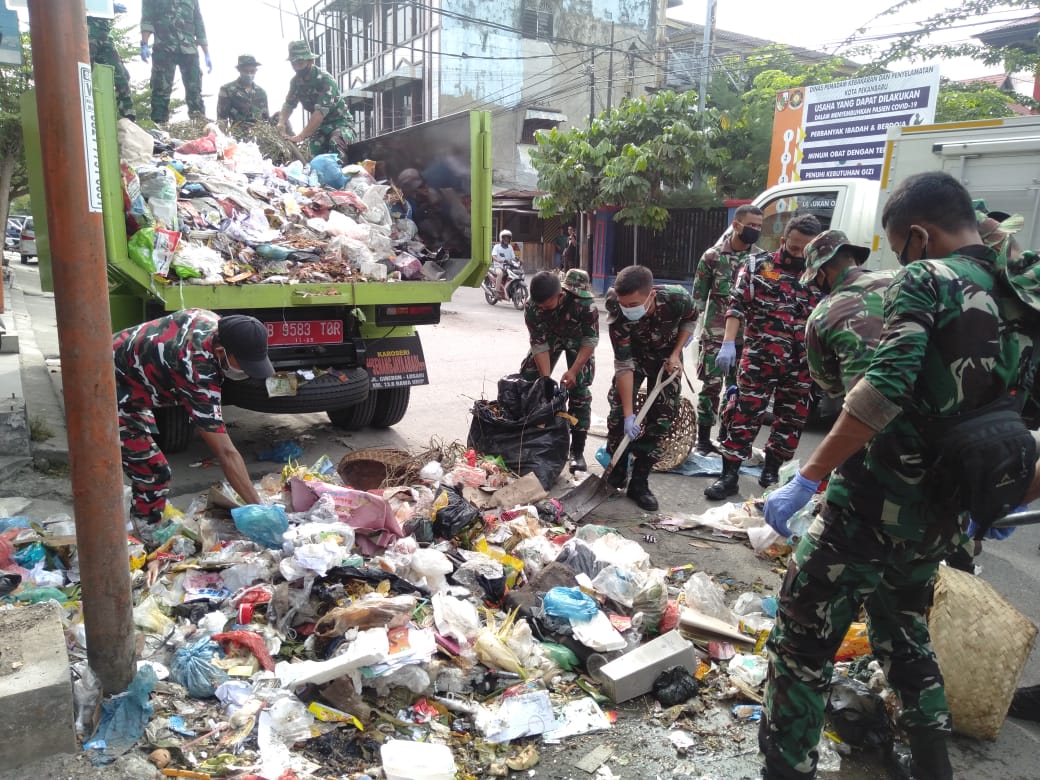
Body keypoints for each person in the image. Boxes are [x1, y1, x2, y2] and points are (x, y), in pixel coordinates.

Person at [759, 172, 1040, 780]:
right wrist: (1005, 496)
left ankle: (786, 769)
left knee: (801, 644)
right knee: (904, 630)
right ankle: (934, 767)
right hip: (944, 514)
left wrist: (808, 478)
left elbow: (879, 389)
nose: (901, 260)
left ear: (917, 235)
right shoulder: (1021, 293)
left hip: (868, 507)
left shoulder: (927, 279)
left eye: (901, 246)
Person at [114, 310, 274, 539]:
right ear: (221, 352)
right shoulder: (196, 367)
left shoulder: (214, 325)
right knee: (153, 471)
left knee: (144, 461)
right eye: (245, 365)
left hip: (132, 377)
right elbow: (225, 452)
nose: (248, 373)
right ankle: (145, 534)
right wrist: (260, 508)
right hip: (106, 385)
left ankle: (139, 521)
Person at [704, 213, 822, 500]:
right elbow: (736, 306)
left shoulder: (819, 273)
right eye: (794, 247)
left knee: (791, 419)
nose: (799, 254)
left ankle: (772, 471)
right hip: (759, 358)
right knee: (744, 414)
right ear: (784, 240)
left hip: (802, 363)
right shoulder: (757, 266)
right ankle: (729, 476)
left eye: (806, 250)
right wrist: (728, 343)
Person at [605, 265, 697, 511]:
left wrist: (677, 353)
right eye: (624, 304)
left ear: (651, 295)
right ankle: (616, 472)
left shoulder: (677, 298)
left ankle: (639, 482)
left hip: (666, 360)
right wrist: (628, 415)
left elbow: (691, 319)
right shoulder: (617, 310)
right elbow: (624, 365)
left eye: (634, 304)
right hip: (633, 358)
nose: (628, 309)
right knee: (616, 416)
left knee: (662, 418)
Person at [691, 204, 763, 455]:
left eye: (758, 227)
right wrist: (687, 333)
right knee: (710, 387)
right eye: (751, 225)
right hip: (715, 334)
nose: (755, 230)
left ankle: (726, 436)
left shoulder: (760, 260)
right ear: (736, 224)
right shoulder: (712, 257)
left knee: (738, 391)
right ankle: (703, 439)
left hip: (747, 338)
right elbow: (698, 299)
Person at [520, 270, 599, 472]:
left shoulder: (584, 304)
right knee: (530, 380)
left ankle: (577, 451)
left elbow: (591, 340)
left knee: (579, 389)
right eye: (539, 306)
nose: (542, 309)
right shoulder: (532, 307)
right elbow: (538, 343)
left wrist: (573, 371)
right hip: (550, 338)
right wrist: (545, 379)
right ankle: (530, 438)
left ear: (560, 295)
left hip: (579, 340)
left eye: (547, 306)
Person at [278, 41, 355, 159]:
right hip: (321, 129)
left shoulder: (326, 80)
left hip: (340, 123)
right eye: (294, 64)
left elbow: (319, 114)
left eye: (300, 63)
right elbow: (289, 104)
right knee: (308, 155)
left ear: (310, 61)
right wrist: (281, 122)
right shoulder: (295, 82)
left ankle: (342, 173)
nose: (297, 67)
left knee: (336, 145)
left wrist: (301, 136)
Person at [140, 0, 211, 123]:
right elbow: (147, 18)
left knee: (195, 92)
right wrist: (144, 43)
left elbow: (198, 22)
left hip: (189, 50)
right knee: (160, 91)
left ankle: (200, 126)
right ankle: (159, 128)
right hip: (164, 48)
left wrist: (206, 53)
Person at [88, 3, 134, 121]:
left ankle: (129, 120)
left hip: (104, 34)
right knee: (84, 74)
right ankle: (84, 114)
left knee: (122, 76)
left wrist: (108, 6)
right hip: (86, 30)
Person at [217, 55, 270, 124]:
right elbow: (222, 119)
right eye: (246, 71)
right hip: (238, 132)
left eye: (252, 71)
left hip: (259, 132)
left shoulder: (261, 92)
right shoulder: (227, 90)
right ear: (239, 70)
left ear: (256, 71)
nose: (249, 74)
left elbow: (266, 118)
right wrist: (223, 134)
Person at [491, 229, 517, 299]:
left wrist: (518, 260)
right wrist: (498, 260)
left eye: (508, 238)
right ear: (501, 238)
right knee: (500, 274)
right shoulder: (497, 246)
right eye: (505, 238)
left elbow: (513, 257)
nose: (506, 239)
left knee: (515, 274)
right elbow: (493, 256)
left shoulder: (510, 247)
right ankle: (496, 291)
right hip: (498, 266)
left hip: (508, 267)